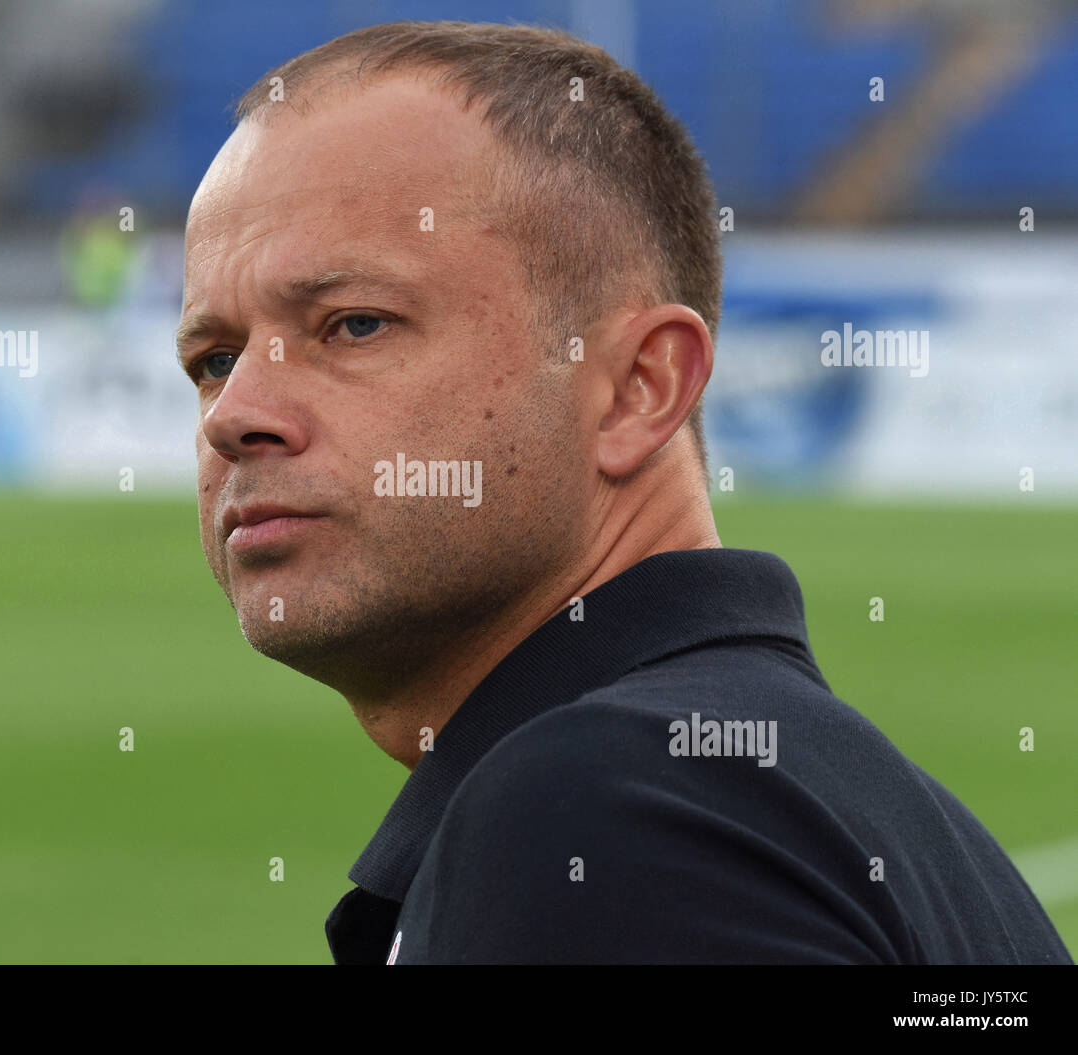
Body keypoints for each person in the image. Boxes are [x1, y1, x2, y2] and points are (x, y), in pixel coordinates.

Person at [176, 20, 1072, 964]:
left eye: (354, 325)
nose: (235, 414)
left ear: (640, 388)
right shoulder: (851, 811)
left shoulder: (600, 818)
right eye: (215, 357)